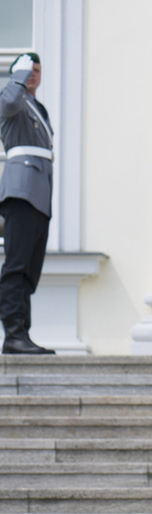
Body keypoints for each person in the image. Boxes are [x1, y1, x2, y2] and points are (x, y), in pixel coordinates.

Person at [0, 52, 55, 354]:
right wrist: (16, 77)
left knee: (29, 270)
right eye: (27, 70)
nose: (32, 74)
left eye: (36, 69)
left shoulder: (36, 108)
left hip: (39, 195)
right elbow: (7, 102)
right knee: (17, 266)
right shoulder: (13, 100)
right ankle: (13, 333)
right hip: (21, 192)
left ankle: (23, 334)